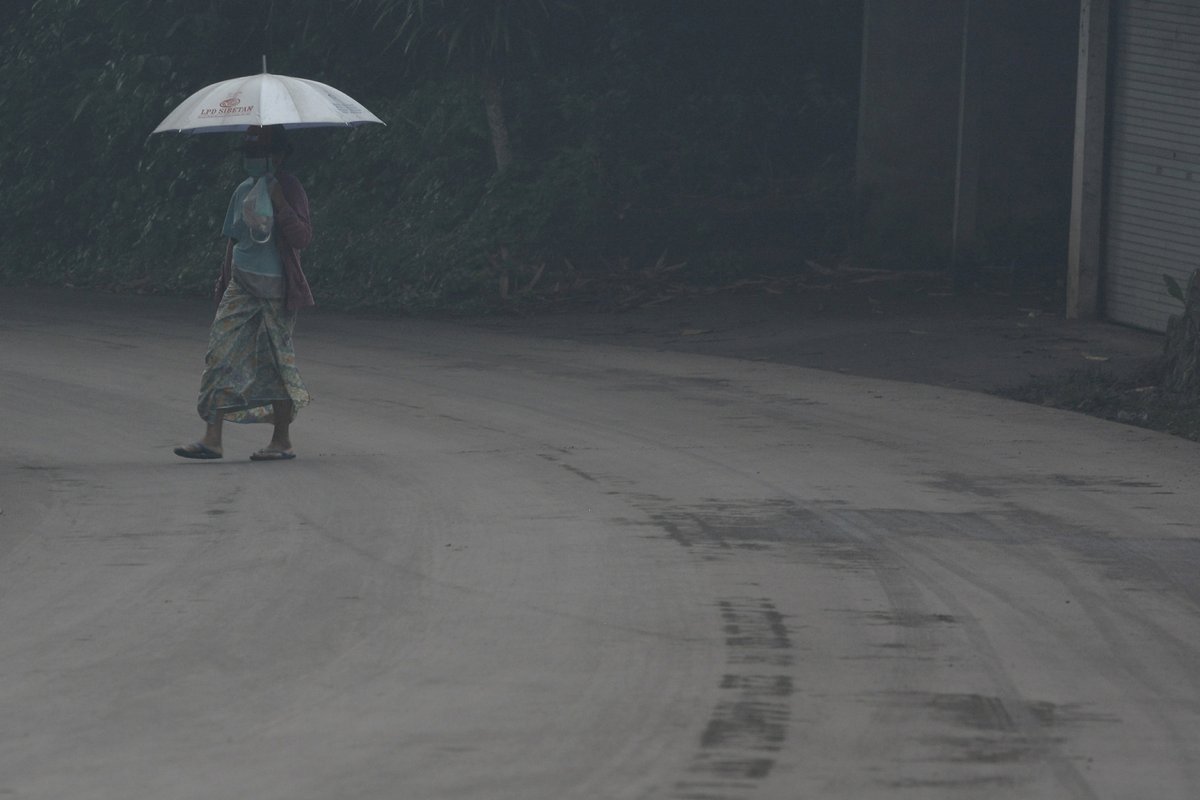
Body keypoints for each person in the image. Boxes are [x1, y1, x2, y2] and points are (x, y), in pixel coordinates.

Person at [174, 124, 315, 461]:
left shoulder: (290, 189)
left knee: (275, 364)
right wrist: (223, 282)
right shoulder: (242, 190)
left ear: (277, 156)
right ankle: (212, 438)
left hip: (276, 291)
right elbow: (233, 239)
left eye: (258, 154)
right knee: (220, 354)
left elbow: (302, 239)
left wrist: (281, 204)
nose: (251, 160)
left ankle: (281, 440)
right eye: (248, 154)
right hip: (241, 286)